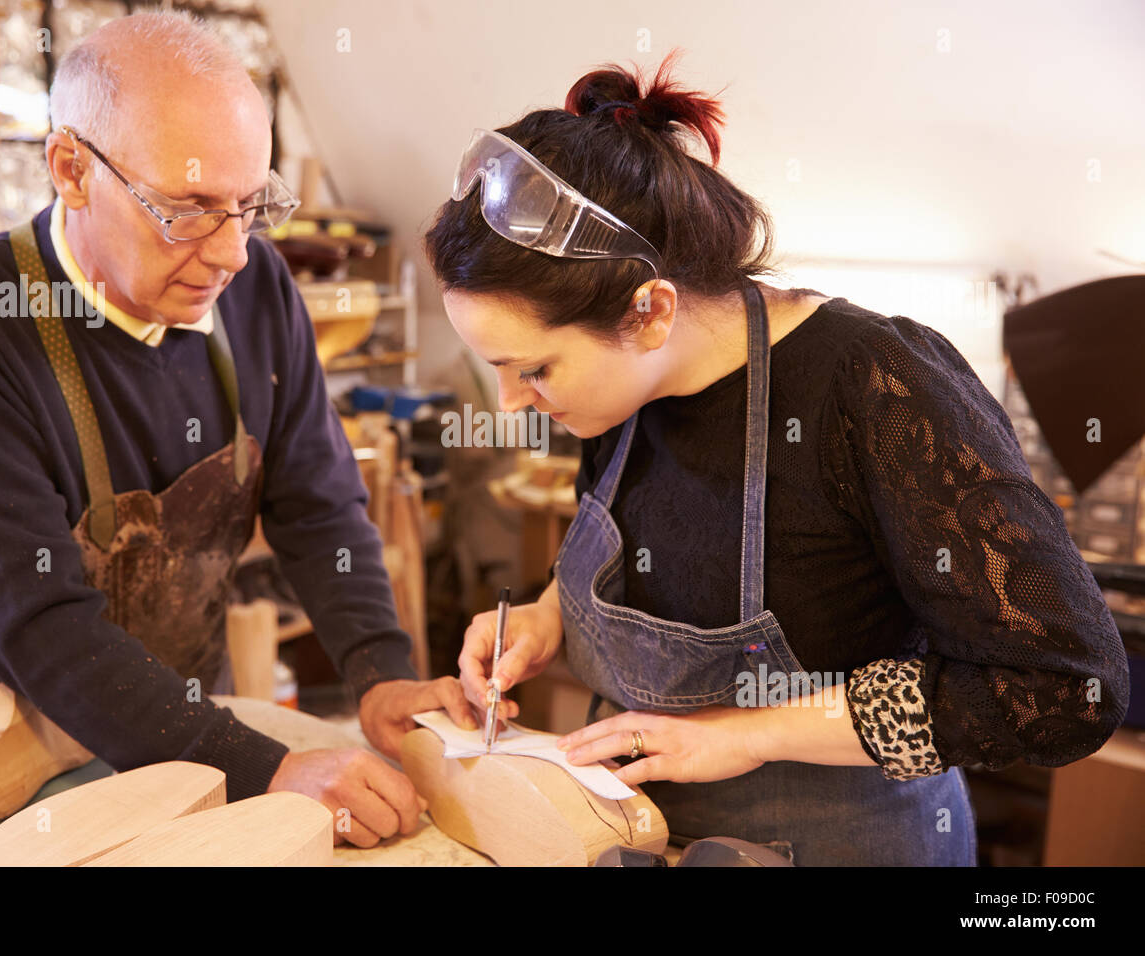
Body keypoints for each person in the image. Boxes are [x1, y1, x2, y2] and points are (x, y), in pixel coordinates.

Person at [424, 55, 1129, 865]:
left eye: (533, 369)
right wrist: (548, 616)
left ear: (650, 311)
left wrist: (755, 733)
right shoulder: (617, 392)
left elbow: (1067, 685)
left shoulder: (876, 386)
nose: (511, 405)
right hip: (637, 834)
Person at [0, 10, 472, 848]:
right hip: (9, 705)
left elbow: (318, 509)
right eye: (189, 208)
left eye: (250, 205)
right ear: (71, 169)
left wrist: (380, 673)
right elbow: (35, 617)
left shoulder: (256, 283)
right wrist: (261, 768)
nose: (232, 251)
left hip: (188, 703)